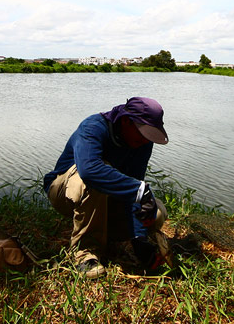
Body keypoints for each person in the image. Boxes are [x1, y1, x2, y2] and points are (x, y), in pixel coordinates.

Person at [43, 97, 170, 278]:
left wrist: (139, 240)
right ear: (126, 121)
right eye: (143, 133)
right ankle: (84, 253)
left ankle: (104, 230)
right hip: (63, 192)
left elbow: (133, 186)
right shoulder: (93, 127)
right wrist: (139, 190)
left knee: (156, 214)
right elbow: (89, 171)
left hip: (105, 199)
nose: (145, 140)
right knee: (98, 175)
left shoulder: (143, 143)